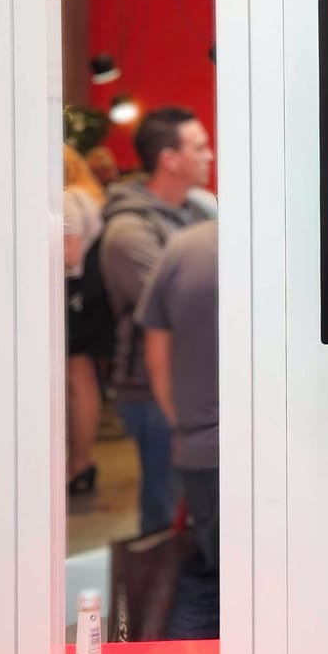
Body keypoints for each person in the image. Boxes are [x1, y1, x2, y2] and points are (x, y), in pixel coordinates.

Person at [101, 107, 214, 537]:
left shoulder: (198, 213)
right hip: (153, 391)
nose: (210, 156)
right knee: (166, 518)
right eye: (199, 147)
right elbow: (181, 312)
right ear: (169, 158)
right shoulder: (129, 232)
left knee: (200, 513)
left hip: (198, 386)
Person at [139, 220, 220, 639]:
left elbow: (157, 357)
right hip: (277, 449)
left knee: (211, 574)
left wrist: (182, 425)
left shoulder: (182, 249)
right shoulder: (287, 244)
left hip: (202, 447)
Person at [63, 145, 106, 498]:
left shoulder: (66, 199)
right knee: (82, 378)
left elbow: (70, 254)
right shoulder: (89, 196)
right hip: (86, 295)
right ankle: (81, 462)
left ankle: (77, 464)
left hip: (72, 293)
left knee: (76, 380)